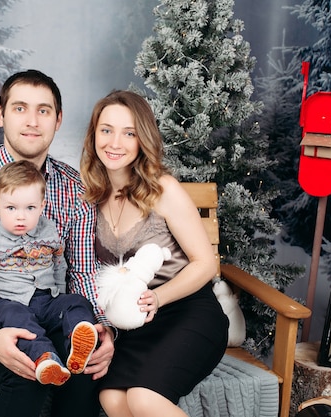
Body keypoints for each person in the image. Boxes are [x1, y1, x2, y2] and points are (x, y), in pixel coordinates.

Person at [0, 69, 115, 417]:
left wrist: (102, 328)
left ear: (58, 120)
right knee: (30, 373)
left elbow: (81, 271)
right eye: (20, 108)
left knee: (84, 371)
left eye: (43, 110)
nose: (32, 121)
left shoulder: (74, 189)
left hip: (48, 309)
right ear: (0, 115)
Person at [79, 90, 229, 417]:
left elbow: (205, 265)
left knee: (144, 399)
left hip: (187, 310)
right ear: (93, 136)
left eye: (128, 133)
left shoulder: (163, 190)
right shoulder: (90, 195)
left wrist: (158, 298)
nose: (114, 142)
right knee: (113, 399)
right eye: (106, 130)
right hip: (135, 324)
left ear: (141, 139)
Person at [0, 160, 98, 386]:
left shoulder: (49, 231)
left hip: (47, 298)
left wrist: (61, 293)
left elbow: (59, 262)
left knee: (77, 302)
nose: (21, 216)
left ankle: (78, 343)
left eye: (30, 208)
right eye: (11, 208)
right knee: (20, 323)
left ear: (41, 206)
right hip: (7, 301)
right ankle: (46, 359)